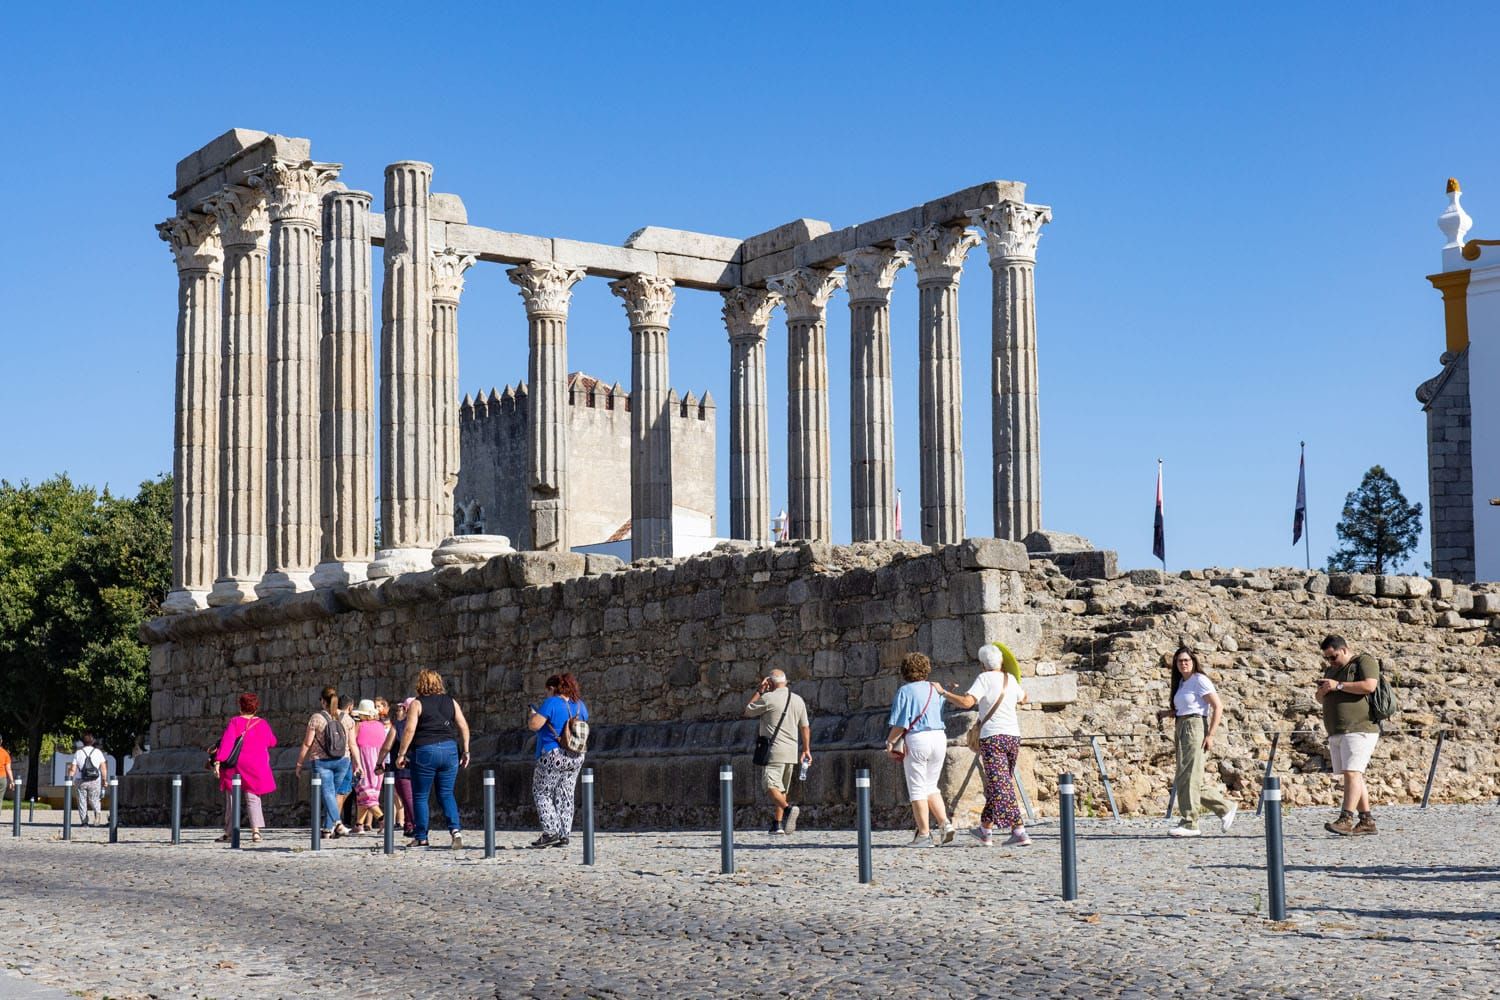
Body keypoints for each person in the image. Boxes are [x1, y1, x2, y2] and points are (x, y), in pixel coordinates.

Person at [934, 643, 1031, 847]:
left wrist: (944, 693)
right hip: (1013, 737)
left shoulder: (984, 678)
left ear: (982, 664)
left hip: (993, 738)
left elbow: (968, 703)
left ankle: (1019, 831)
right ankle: (985, 830)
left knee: (1001, 785)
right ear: (1002, 662)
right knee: (1000, 784)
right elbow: (1024, 698)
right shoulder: (1010, 679)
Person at [1154, 647, 1237, 838]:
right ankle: (1225, 807)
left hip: (1195, 727)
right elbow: (1186, 707)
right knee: (1186, 778)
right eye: (1180, 661)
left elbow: (1217, 706)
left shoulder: (1200, 680)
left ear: (1193, 661)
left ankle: (1191, 823)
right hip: (1182, 725)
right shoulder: (1182, 683)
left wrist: (1211, 735)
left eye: (1186, 660)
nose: (1183, 663)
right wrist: (1167, 713)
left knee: (1189, 777)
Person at [395, 669, 471, 849]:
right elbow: (463, 726)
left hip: (425, 750)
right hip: (450, 749)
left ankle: (421, 836)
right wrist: (466, 751)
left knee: (421, 796)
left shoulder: (417, 704)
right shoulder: (451, 701)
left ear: (420, 684)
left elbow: (410, 729)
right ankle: (455, 831)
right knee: (446, 793)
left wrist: (401, 753)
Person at [1315, 635, 1381, 836]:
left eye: (1333, 656)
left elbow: (1370, 685)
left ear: (1343, 649)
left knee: (1352, 772)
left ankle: (1346, 818)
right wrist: (1325, 689)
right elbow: (1318, 698)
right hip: (1338, 730)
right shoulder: (1331, 670)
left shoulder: (1363, 661)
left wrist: (1339, 686)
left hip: (1359, 728)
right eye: (1327, 658)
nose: (1330, 661)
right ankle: (1366, 820)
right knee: (1353, 774)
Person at [885, 652, 953, 847]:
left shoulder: (905, 691)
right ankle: (944, 824)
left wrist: (890, 741)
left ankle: (924, 834)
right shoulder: (934, 688)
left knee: (917, 788)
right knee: (931, 785)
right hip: (939, 737)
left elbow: (900, 723)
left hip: (918, 739)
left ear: (905, 671)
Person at [525, 672, 591, 848]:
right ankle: (564, 834)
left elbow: (534, 725)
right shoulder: (580, 706)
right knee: (566, 794)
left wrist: (533, 714)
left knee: (542, 792)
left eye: (548, 690)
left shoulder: (552, 703)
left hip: (553, 754)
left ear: (553, 688)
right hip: (576, 756)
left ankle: (550, 832)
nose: (547, 694)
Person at [743, 669, 811, 836]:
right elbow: (805, 727)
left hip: (774, 751)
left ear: (771, 683)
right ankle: (777, 823)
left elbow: (748, 710)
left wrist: (760, 690)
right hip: (791, 752)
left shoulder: (768, 698)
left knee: (770, 785)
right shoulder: (798, 700)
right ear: (785, 682)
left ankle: (788, 810)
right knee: (782, 789)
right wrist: (806, 749)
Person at [294, 686, 358, 839]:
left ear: (323, 701)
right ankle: (327, 829)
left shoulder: (316, 718)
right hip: (343, 760)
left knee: (328, 793)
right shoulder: (348, 719)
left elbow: (307, 743)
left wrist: (299, 763)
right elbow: (353, 744)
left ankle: (337, 822)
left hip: (321, 761)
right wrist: (358, 763)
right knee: (333, 794)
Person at [213, 692, 277, 843]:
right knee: (253, 798)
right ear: (256, 707)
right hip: (256, 765)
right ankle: (256, 831)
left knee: (232, 798)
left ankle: (229, 833)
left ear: (241, 706)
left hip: (237, 765)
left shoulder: (235, 722)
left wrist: (218, 761)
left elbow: (227, 744)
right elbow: (272, 742)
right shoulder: (262, 723)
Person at [380, 698, 417, 836]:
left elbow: (386, 747)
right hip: (420, 767)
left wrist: (379, 763)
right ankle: (409, 825)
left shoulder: (398, 726)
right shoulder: (423, 726)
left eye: (401, 708)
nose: (398, 711)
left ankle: (417, 826)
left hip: (402, 769)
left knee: (408, 799)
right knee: (413, 798)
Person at [352, 699, 388, 832]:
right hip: (378, 763)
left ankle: (383, 820)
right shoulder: (380, 726)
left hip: (363, 763)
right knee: (366, 795)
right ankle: (359, 825)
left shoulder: (359, 726)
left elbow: (352, 742)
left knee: (366, 794)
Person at [67, 733, 107, 827]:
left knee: (82, 801)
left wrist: (70, 779)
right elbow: (103, 767)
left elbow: (73, 769)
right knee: (94, 799)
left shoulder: (78, 753)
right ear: (92, 742)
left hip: (81, 780)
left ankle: (84, 822)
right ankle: (97, 813)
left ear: (83, 742)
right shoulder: (98, 752)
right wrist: (104, 780)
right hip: (95, 779)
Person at [0, 735, 12, 808]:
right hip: (2, 779)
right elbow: (8, 769)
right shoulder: (5, 753)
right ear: (1, 741)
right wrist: (12, 781)